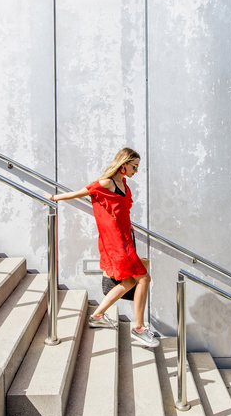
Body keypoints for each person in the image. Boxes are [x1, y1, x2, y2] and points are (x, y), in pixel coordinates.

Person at [50, 147, 159, 348]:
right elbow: (82, 192)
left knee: (128, 282)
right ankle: (139, 327)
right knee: (143, 278)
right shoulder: (106, 183)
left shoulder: (124, 184)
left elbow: (122, 212)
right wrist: (55, 198)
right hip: (115, 242)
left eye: (137, 167)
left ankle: (97, 315)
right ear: (123, 164)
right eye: (134, 166)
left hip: (126, 238)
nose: (136, 170)